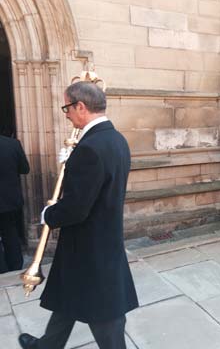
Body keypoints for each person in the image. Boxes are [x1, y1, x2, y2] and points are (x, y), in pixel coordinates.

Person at [18, 82, 139, 349]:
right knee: (68, 298)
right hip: (99, 238)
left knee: (105, 316)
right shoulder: (116, 139)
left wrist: (49, 214)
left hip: (89, 244)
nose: (66, 114)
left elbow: (76, 208)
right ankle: (47, 346)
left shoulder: (90, 147)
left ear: (80, 106)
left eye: (67, 108)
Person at [0, 132, 29, 273]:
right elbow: (25, 168)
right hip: (9, 199)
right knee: (10, 231)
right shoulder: (12, 144)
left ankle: (2, 268)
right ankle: (15, 265)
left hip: (8, 199)